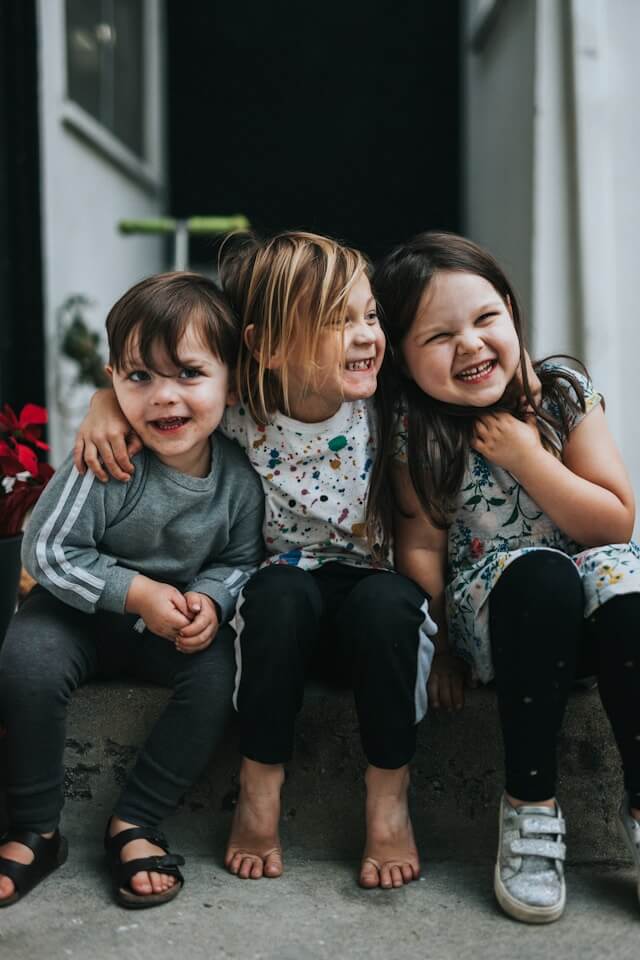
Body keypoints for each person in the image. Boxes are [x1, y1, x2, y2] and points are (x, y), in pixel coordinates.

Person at [71, 232, 437, 890]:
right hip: (277, 619)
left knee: (390, 605)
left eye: (369, 315)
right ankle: (259, 786)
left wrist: (453, 649)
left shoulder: (388, 410)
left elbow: (422, 537)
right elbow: (167, 395)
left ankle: (388, 801)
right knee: (278, 592)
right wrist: (103, 405)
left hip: (371, 612)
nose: (364, 335)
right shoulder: (244, 412)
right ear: (266, 348)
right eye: (336, 321)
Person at [370, 230, 640, 922]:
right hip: (502, 627)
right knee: (540, 575)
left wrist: (528, 457)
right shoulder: (417, 430)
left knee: (624, 572)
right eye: (438, 336)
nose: (470, 344)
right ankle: (530, 805)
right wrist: (442, 650)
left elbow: (614, 522)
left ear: (512, 313)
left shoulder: (562, 395)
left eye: (486, 318)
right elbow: (421, 551)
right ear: (401, 356)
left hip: (593, 626)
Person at [0, 272, 264, 909]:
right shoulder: (108, 458)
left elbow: (241, 558)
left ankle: (136, 821)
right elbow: (47, 549)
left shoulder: (239, 480)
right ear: (113, 379)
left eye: (189, 375)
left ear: (231, 381)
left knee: (216, 680)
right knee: (26, 662)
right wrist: (135, 591)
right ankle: (36, 826)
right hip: (72, 614)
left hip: (170, 626)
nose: (163, 398)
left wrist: (212, 598)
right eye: (139, 377)